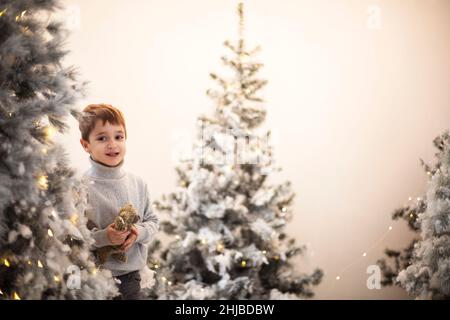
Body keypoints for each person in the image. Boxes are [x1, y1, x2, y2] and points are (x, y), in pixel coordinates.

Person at [78, 103, 158, 299]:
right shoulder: (80, 188)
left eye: (118, 137)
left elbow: (153, 222)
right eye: (102, 138)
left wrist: (137, 233)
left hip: (130, 277)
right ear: (86, 145)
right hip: (95, 277)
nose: (112, 144)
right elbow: (76, 237)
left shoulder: (138, 183)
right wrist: (106, 237)